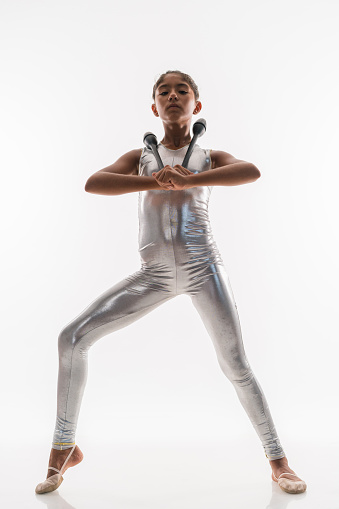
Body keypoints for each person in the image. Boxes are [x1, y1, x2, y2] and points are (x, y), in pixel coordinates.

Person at [35, 70, 307, 495]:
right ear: (154, 107)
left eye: (183, 90)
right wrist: (152, 180)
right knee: (71, 338)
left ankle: (279, 462)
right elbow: (94, 183)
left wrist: (190, 178)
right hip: (154, 275)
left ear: (197, 106)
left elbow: (251, 171)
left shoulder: (209, 154)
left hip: (204, 270)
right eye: (164, 91)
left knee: (235, 364)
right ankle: (63, 448)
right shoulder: (141, 157)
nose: (173, 95)